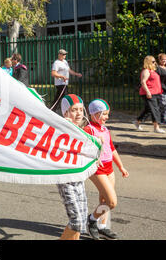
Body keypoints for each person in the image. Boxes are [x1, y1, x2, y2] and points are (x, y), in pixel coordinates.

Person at [84, 99, 129, 240]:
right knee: (111, 202)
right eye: (104, 114)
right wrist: (93, 158)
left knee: (104, 199)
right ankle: (91, 220)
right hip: (97, 169)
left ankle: (102, 227)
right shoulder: (88, 130)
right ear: (93, 114)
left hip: (109, 168)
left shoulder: (105, 129)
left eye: (107, 114)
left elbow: (112, 149)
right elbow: (82, 149)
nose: (107, 117)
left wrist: (120, 166)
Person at [56, 94, 90, 240]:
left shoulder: (82, 130)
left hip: (79, 178)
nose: (78, 113)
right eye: (74, 110)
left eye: (81, 110)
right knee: (76, 221)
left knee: (81, 220)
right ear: (65, 113)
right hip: (65, 178)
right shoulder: (61, 127)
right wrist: (64, 125)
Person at [133, 55, 165, 133]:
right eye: (153, 61)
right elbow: (143, 82)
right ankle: (156, 128)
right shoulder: (146, 71)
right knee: (155, 109)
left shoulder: (153, 71)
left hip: (155, 93)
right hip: (149, 93)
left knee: (148, 109)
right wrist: (148, 92)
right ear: (148, 62)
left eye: (155, 61)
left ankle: (137, 121)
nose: (155, 63)